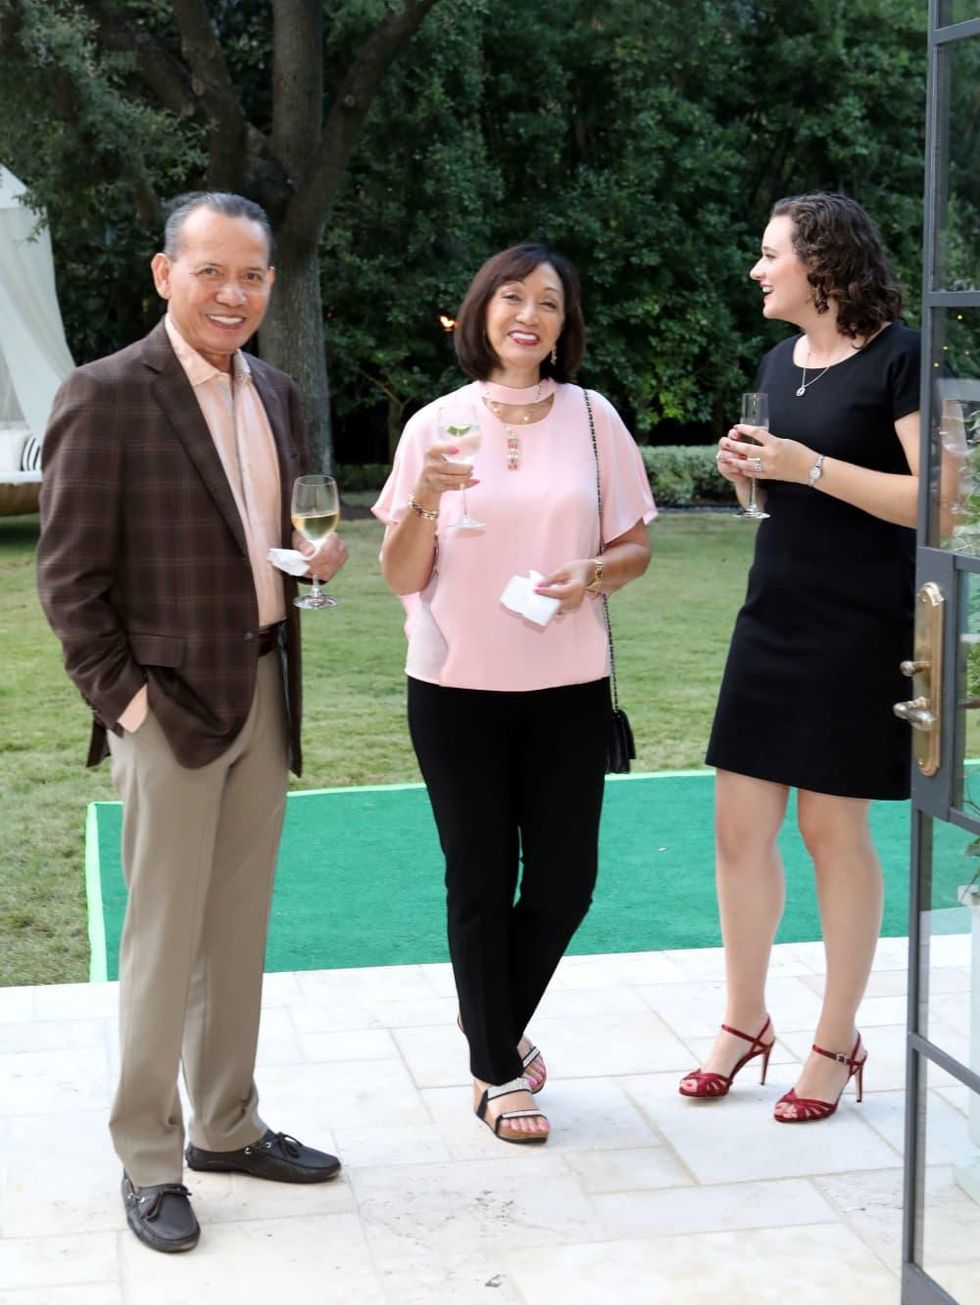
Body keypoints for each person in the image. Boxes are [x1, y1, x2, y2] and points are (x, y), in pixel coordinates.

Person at [37, 192, 348, 1252]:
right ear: (165, 274)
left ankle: (226, 1125)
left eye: (252, 275)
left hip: (265, 688)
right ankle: (147, 1157)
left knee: (235, 932)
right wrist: (125, 704)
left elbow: (266, 535)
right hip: (163, 708)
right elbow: (68, 580)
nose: (234, 293)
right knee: (164, 942)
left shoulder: (275, 388)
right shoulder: (105, 394)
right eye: (211, 271)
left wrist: (315, 565)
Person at [373, 242, 655, 1144]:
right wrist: (423, 497)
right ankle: (497, 1068)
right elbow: (399, 573)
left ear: (565, 324)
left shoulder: (593, 416)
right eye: (510, 296)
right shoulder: (436, 424)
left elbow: (636, 546)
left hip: (569, 687)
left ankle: (486, 1021)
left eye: (548, 300)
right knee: (481, 876)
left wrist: (595, 573)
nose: (528, 313)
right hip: (455, 687)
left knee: (568, 879)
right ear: (480, 309)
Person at [680, 192, 920, 1121]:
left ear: (820, 263)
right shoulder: (779, 362)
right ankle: (744, 1024)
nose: (756, 269)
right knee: (737, 828)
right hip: (771, 613)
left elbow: (932, 503)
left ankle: (835, 1037)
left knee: (832, 834)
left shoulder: (902, 357)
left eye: (769, 253)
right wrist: (753, 468)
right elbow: (782, 472)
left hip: (861, 625)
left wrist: (805, 466)